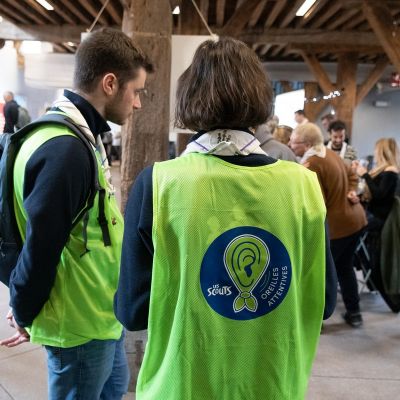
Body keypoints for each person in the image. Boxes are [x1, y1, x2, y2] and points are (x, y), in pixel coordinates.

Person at [115, 37, 337, 400]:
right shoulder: (304, 186)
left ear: (188, 100)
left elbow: (132, 312)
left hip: (181, 387)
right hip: (273, 386)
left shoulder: (158, 184)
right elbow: (324, 303)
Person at [0, 28, 152, 399]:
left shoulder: (78, 136)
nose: (137, 104)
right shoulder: (65, 151)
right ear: (110, 84)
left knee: (114, 388)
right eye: (136, 91)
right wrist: (24, 308)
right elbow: (40, 248)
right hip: (79, 325)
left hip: (101, 313)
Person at [290, 123, 367, 328]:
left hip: (338, 227)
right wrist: (351, 191)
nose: (289, 144)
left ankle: (317, 319)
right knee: (345, 268)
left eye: (294, 141)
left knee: (322, 274)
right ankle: (354, 313)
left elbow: (315, 204)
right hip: (355, 221)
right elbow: (353, 175)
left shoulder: (312, 164)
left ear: (307, 144)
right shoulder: (330, 154)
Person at [355, 138, 400, 229]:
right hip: (372, 212)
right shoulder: (383, 169)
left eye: (376, 149)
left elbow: (379, 195)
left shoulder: (391, 171)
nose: (374, 152)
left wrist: (365, 175)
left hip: (376, 216)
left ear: (382, 152)